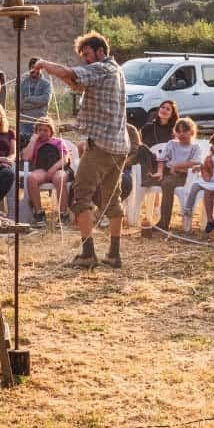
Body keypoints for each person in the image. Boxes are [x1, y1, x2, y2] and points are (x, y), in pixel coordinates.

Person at [31, 32, 129, 269]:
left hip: (102, 146)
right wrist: (60, 74)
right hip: (118, 146)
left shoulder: (103, 68)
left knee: (80, 195)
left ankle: (87, 254)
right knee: (111, 199)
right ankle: (114, 255)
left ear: (100, 51)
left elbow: (70, 73)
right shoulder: (114, 70)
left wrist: (44, 64)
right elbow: (75, 83)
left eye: (87, 54)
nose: (85, 59)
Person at [142, 116, 204, 238]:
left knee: (167, 183)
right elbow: (162, 159)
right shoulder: (172, 144)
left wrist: (176, 166)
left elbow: (196, 163)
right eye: (178, 131)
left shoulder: (195, 147)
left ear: (192, 132)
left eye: (185, 131)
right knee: (159, 179)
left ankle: (164, 223)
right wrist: (160, 171)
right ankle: (151, 181)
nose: (181, 134)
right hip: (168, 173)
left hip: (185, 176)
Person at [22, 117, 70, 226]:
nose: (42, 133)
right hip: (42, 169)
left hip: (58, 168)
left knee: (59, 178)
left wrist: (53, 168)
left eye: (45, 130)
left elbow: (65, 158)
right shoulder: (34, 143)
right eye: (40, 130)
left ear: (51, 131)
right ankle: (39, 213)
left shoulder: (58, 141)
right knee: (31, 178)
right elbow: (26, 157)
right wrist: (33, 140)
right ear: (36, 131)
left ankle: (63, 214)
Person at [133, 100, 179, 193]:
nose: (164, 110)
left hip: (165, 164)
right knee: (142, 148)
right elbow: (136, 142)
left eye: (168, 109)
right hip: (147, 162)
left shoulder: (174, 131)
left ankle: (151, 178)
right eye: (162, 107)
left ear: (172, 114)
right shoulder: (148, 127)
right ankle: (147, 177)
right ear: (158, 110)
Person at [18, 57, 53, 147]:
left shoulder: (46, 84)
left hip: (40, 122)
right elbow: (19, 104)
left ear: (42, 69)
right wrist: (37, 104)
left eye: (38, 68)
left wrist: (29, 99)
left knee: (40, 146)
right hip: (24, 122)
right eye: (33, 67)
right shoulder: (21, 83)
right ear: (29, 68)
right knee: (24, 145)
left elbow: (45, 100)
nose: (35, 70)